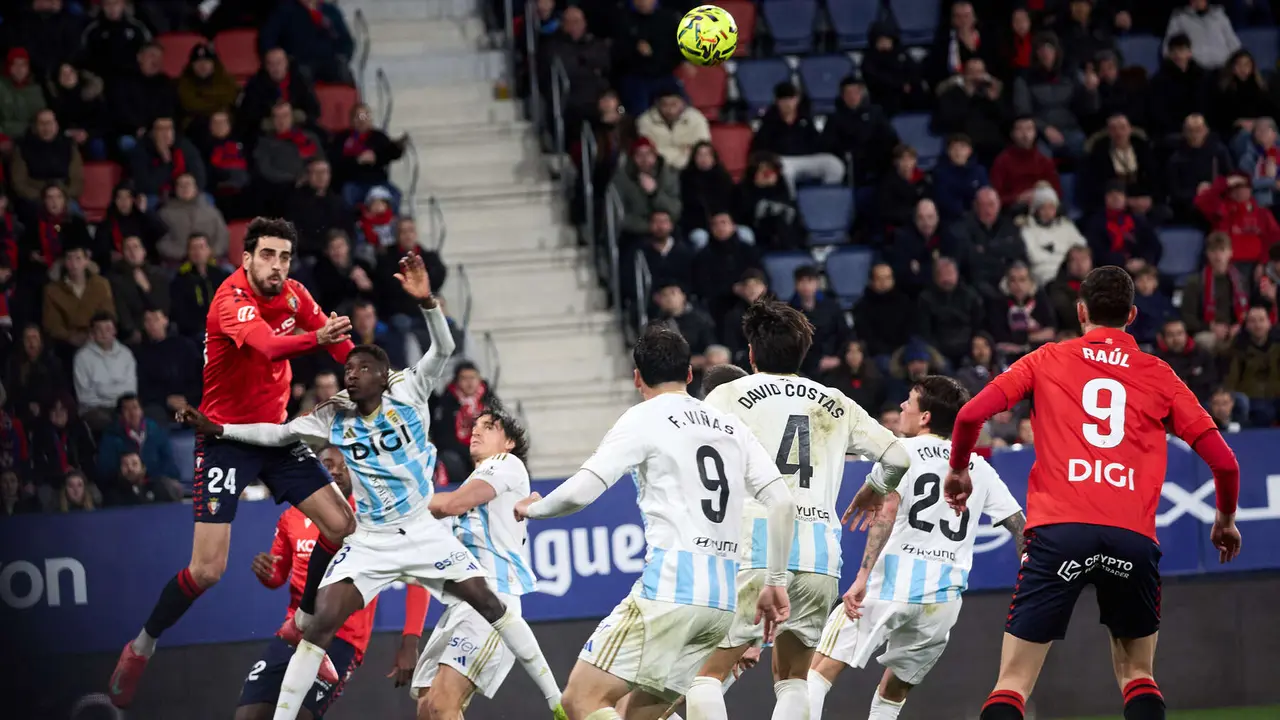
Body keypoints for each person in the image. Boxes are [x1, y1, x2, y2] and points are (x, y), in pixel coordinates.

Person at [178, 254, 566, 720]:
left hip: (422, 530)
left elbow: (441, 349)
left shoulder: (410, 390)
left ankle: (556, 701)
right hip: (372, 539)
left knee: (489, 601)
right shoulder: (332, 416)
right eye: (348, 369)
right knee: (320, 622)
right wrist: (221, 430)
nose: (351, 374)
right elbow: (277, 434)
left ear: (384, 376)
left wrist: (426, 303)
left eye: (361, 369)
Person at [945, 266, 1243, 720]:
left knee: (1013, 684)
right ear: (1132, 315)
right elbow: (1225, 462)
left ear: (1081, 311)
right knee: (1138, 676)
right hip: (1131, 539)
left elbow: (968, 416)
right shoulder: (1159, 374)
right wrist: (1223, 521)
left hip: (1057, 534)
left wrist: (960, 469)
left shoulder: (1045, 359)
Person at [107, 218, 359, 709]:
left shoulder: (294, 294)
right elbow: (268, 345)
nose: (277, 266)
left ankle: (304, 626)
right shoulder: (230, 300)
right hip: (225, 438)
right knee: (207, 570)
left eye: (284, 257)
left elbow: (340, 345)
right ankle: (142, 645)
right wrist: (320, 338)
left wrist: (377, 377)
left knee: (342, 525)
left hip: (276, 434)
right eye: (267, 255)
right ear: (246, 259)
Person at [511, 323, 796, 720]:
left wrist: (533, 509)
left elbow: (579, 492)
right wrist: (776, 583)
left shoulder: (643, 418)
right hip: (720, 603)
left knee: (580, 701)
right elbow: (782, 501)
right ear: (690, 374)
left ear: (637, 378)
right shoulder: (730, 426)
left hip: (669, 591)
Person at [689, 300, 911, 720]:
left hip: (758, 546)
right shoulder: (835, 401)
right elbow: (899, 456)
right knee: (793, 677)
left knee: (704, 677)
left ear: (752, 355)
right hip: (820, 556)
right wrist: (875, 488)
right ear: (802, 353)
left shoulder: (728, 395)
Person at [808, 376, 1026, 720]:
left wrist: (862, 576)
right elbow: (1018, 525)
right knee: (893, 692)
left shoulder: (900, 452)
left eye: (909, 401)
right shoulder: (977, 466)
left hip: (889, 586)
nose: (902, 407)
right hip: (942, 599)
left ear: (924, 417)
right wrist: (1030, 569)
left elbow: (888, 509)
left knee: (818, 671)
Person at [235, 445, 430, 720]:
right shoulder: (293, 516)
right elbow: (279, 577)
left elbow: (416, 578)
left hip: (343, 638)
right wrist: (267, 572)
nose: (337, 470)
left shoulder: (373, 520)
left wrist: (410, 642)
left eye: (345, 465)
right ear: (316, 470)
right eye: (328, 464)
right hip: (296, 630)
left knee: (300, 716)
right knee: (248, 716)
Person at [412, 408, 549, 719]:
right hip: (462, 603)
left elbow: (451, 504)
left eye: (489, 427)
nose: (476, 431)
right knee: (427, 706)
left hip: (493, 600)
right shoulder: (477, 482)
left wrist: (401, 503)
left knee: (442, 704)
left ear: (509, 442)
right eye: (474, 426)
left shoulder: (506, 464)